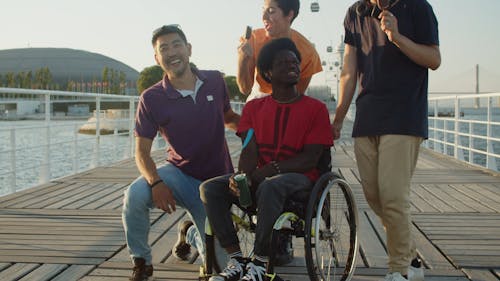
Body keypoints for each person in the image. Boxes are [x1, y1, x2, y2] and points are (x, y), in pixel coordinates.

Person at [201, 38, 333, 281]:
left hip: (302, 178)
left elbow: (312, 158)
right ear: (268, 73)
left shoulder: (316, 109)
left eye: (294, 61)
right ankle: (238, 259)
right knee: (210, 188)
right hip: (264, 179)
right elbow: (249, 149)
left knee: (272, 185)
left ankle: (260, 263)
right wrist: (241, 178)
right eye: (283, 62)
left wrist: (272, 169)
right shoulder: (254, 109)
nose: (292, 65)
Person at [331, 0, 441, 280]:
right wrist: (339, 117)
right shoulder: (355, 13)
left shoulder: (417, 7)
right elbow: (348, 71)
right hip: (367, 115)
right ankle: (411, 257)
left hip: (404, 115)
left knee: (393, 195)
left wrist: (398, 37)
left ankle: (400, 270)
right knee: (374, 196)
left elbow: (434, 59)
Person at [121, 25, 240, 281]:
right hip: (179, 175)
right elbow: (141, 152)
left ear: (189, 49)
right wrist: (156, 182)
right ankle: (141, 263)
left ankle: (192, 234)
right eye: (163, 48)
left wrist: (258, 130)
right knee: (134, 194)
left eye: (176, 45)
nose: (172, 52)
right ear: (156, 58)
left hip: (216, 183)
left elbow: (229, 118)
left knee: (221, 266)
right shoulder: (151, 98)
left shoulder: (216, 81)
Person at [237, 0, 322, 101]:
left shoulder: (308, 53)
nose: (264, 17)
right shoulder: (253, 39)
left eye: (271, 11)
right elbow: (245, 89)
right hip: (258, 100)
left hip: (287, 104)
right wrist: (242, 60)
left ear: (290, 15)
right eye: (263, 11)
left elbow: (296, 96)